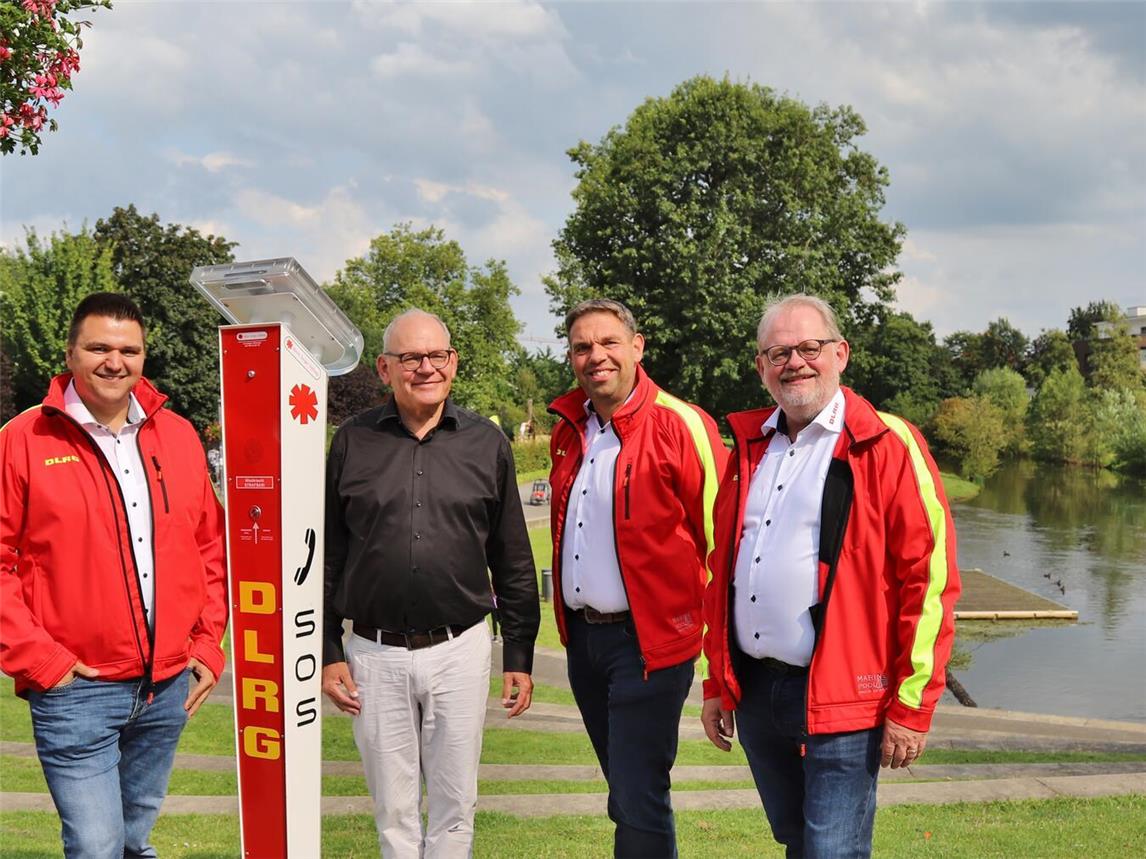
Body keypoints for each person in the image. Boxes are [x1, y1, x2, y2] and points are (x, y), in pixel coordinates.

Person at [701, 294, 961, 857]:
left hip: (847, 697)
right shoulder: (748, 449)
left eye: (809, 348)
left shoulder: (887, 445)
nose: (794, 362)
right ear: (760, 366)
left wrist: (912, 705)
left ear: (840, 353)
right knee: (794, 840)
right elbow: (723, 571)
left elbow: (930, 582)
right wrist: (719, 683)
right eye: (778, 352)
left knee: (831, 850)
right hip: (758, 691)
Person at [0, 292, 228, 858]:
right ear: (71, 352)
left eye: (129, 349)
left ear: (144, 356)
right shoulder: (23, 441)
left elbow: (209, 548)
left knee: (132, 841)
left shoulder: (176, 435)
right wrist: (42, 661)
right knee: (97, 846)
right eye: (98, 346)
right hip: (76, 689)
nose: (114, 360)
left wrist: (207, 643)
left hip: (167, 686)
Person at [322, 308, 540, 858]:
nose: (425, 367)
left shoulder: (487, 444)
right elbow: (329, 551)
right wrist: (328, 649)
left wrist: (519, 653)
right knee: (393, 810)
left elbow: (511, 553)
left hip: (459, 649)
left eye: (436, 355)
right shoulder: (352, 440)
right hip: (372, 653)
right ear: (384, 368)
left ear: (453, 362)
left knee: (453, 803)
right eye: (410, 357)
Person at [548, 299, 728, 857]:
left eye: (608, 343)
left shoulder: (682, 423)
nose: (595, 356)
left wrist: (720, 665)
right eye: (582, 347)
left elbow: (725, 545)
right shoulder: (569, 430)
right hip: (585, 642)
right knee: (625, 792)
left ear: (637, 346)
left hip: (651, 644)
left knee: (639, 792)